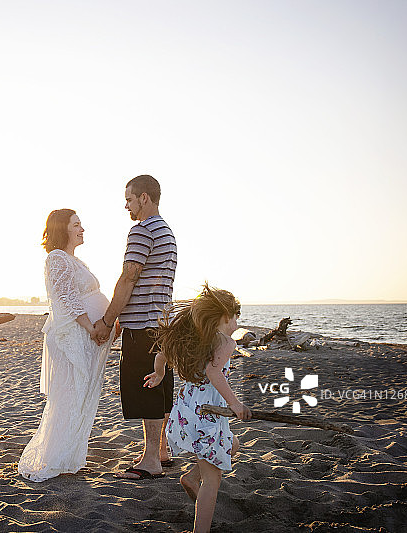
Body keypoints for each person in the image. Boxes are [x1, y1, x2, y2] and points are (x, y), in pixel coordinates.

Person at [17, 209, 116, 482]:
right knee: (69, 396)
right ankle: (55, 458)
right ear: (63, 229)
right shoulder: (57, 258)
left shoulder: (74, 260)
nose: (82, 229)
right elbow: (67, 299)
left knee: (81, 395)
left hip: (86, 335)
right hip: (73, 336)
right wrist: (93, 326)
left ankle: (70, 457)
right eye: (77, 224)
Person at [144, 284, 252, 533]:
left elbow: (162, 355)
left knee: (232, 445)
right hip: (208, 415)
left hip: (187, 410)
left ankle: (192, 478)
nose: (236, 323)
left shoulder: (194, 339)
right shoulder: (226, 343)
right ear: (225, 316)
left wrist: (159, 374)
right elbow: (215, 373)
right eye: (236, 317)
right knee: (212, 480)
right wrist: (236, 404)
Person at [91, 175, 177, 480]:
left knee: (147, 388)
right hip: (163, 323)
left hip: (143, 325)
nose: (125, 205)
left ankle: (151, 460)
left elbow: (129, 278)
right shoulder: (167, 231)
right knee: (162, 384)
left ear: (144, 198)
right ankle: (162, 452)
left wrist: (108, 319)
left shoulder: (142, 230)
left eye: (129, 199)